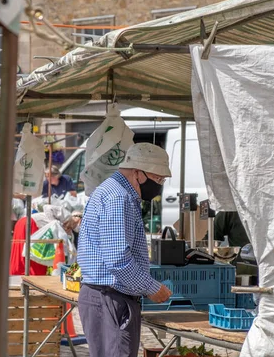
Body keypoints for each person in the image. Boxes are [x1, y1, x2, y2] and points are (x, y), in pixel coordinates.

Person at [77, 143, 173, 357]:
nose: (160, 185)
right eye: (158, 179)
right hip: (110, 297)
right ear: (138, 173)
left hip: (107, 296)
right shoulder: (118, 197)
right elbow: (117, 259)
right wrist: (151, 288)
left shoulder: (114, 192)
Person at [9, 205, 80, 276]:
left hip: (25, 224)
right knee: (34, 254)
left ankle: (22, 274)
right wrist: (53, 224)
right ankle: (29, 276)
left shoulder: (70, 233)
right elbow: (47, 207)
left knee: (27, 253)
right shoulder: (67, 216)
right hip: (31, 224)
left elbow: (72, 253)